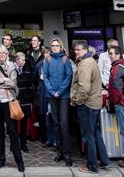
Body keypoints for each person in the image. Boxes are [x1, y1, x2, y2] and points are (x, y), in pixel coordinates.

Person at [70, 42, 110, 173]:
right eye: (75, 50)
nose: (76, 52)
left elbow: (84, 88)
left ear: (85, 50)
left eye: (79, 50)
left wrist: (77, 101)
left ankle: (92, 166)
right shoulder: (90, 60)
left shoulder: (85, 64)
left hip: (87, 104)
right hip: (95, 103)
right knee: (95, 133)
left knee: (88, 136)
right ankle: (104, 161)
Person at [0, 45, 25, 172]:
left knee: (13, 132)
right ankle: (0, 160)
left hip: (9, 102)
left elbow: (12, 83)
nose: (1, 55)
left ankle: (19, 161)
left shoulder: (12, 66)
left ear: (7, 54)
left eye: (3, 52)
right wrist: (4, 79)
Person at [43, 38, 74, 166]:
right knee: (55, 123)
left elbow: (69, 75)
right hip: (51, 95)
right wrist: (52, 91)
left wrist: (59, 91)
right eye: (52, 45)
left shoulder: (65, 59)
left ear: (61, 47)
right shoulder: (47, 59)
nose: (54, 47)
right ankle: (60, 151)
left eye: (57, 45)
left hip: (63, 96)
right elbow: (45, 77)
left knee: (64, 123)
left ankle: (67, 154)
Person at [13, 52, 36, 153]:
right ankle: (14, 144)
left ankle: (23, 143)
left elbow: (31, 79)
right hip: (15, 99)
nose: (23, 62)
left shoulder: (27, 69)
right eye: (22, 60)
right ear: (17, 61)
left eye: (24, 60)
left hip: (26, 99)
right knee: (12, 122)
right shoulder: (12, 69)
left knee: (24, 123)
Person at [38, 48, 55, 147]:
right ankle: (50, 139)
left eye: (49, 53)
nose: (47, 54)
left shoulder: (55, 64)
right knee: (47, 117)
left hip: (53, 93)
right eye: (46, 53)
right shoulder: (40, 64)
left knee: (54, 117)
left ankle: (56, 140)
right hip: (44, 93)